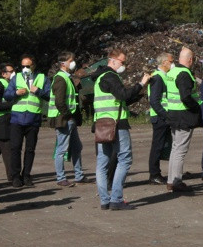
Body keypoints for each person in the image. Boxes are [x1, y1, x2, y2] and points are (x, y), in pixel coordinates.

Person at [93, 48, 150, 210]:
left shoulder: (99, 78)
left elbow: (117, 99)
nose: (124, 65)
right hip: (116, 124)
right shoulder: (111, 76)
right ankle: (116, 199)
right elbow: (123, 95)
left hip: (101, 124)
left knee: (102, 163)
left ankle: (105, 200)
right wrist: (141, 84)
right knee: (125, 158)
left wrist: (136, 94)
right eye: (122, 62)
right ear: (112, 60)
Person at [4, 54, 50, 188]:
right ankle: (15, 177)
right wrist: (16, 93)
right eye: (23, 66)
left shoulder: (42, 78)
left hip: (33, 118)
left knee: (30, 149)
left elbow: (49, 95)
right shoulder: (16, 78)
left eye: (27, 66)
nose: (25, 68)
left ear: (33, 66)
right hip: (17, 119)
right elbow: (7, 96)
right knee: (15, 148)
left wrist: (38, 91)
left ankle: (26, 175)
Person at [48, 52, 87, 186]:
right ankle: (61, 178)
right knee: (61, 149)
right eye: (71, 60)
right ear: (63, 63)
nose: (73, 63)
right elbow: (59, 102)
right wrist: (67, 115)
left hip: (69, 118)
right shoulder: (60, 78)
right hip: (64, 118)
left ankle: (79, 175)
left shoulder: (67, 77)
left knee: (76, 147)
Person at [165, 47, 201, 193]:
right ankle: (177, 181)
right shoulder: (184, 74)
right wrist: (196, 107)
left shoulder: (172, 72)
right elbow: (185, 96)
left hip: (173, 114)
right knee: (180, 150)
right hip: (183, 115)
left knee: (175, 148)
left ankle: (170, 180)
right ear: (190, 60)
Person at [147, 52, 173, 185]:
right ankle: (154, 174)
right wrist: (165, 115)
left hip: (163, 116)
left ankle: (156, 173)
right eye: (170, 61)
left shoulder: (164, 76)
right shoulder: (157, 78)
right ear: (164, 62)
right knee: (157, 146)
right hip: (160, 117)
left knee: (162, 145)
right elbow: (155, 101)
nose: (172, 63)